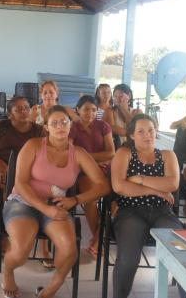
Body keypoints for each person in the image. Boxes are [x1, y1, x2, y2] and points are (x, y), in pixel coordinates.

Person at [1, 105, 110, 298]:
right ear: (46, 127)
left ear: (71, 126)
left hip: (56, 205)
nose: (60, 126)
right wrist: (45, 208)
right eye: (55, 122)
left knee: (69, 250)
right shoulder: (33, 145)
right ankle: (8, 271)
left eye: (64, 122)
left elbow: (103, 185)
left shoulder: (78, 153)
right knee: (21, 250)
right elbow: (20, 182)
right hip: (23, 202)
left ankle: (50, 290)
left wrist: (75, 199)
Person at [111, 113, 182, 298]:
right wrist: (156, 190)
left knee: (182, 252)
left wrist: (140, 180)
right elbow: (119, 186)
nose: (147, 135)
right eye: (140, 132)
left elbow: (172, 184)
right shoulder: (124, 153)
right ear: (132, 135)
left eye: (150, 130)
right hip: (130, 212)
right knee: (128, 260)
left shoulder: (167, 155)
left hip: (162, 212)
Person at [0, 96, 45, 219]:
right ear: (10, 114)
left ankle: (24, 220)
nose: (24, 111)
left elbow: (45, 156)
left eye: (26, 108)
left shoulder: (38, 130)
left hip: (29, 175)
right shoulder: (1, 126)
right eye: (19, 109)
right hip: (3, 172)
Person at [69, 95, 115, 256]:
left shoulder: (103, 126)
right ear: (78, 110)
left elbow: (111, 152)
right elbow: (70, 153)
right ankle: (99, 240)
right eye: (87, 109)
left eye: (94, 110)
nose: (90, 113)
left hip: (105, 170)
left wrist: (87, 158)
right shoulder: (73, 127)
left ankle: (97, 240)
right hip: (83, 172)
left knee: (117, 200)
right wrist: (91, 162)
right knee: (90, 198)